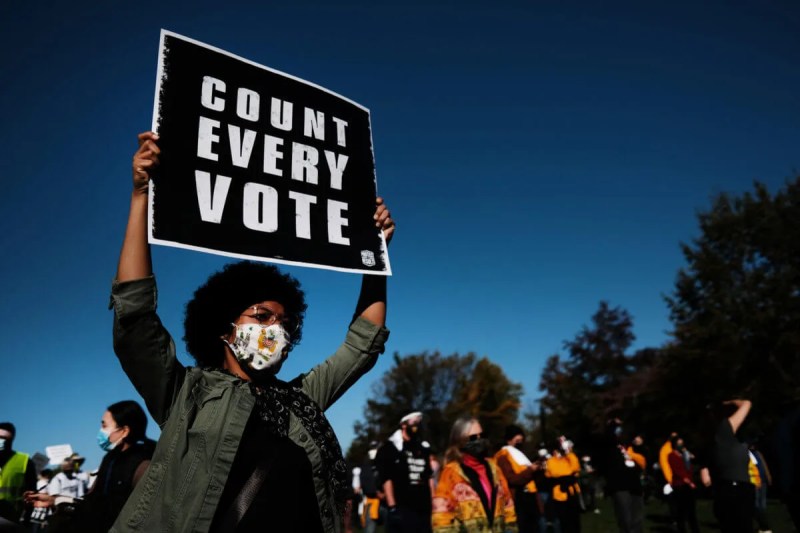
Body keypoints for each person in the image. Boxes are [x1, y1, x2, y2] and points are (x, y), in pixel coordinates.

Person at [107, 131, 394, 532]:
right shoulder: (185, 393)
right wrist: (141, 196)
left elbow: (362, 345)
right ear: (223, 328)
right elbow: (135, 317)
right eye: (261, 316)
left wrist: (374, 255)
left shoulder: (301, 400)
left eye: (284, 322)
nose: (275, 329)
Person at [432, 416, 517, 532]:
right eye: (473, 438)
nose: (479, 440)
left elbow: (508, 506)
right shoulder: (451, 472)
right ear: (461, 440)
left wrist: (511, 530)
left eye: (482, 436)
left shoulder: (495, 469)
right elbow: (441, 516)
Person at [700, 399, 755, 533]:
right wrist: (728, 402)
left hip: (725, 490)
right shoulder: (723, 430)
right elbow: (747, 403)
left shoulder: (713, 439)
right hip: (737, 490)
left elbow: (706, 477)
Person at [374, 412, 433, 532]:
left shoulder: (422, 447)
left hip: (424, 508)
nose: (418, 425)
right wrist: (392, 507)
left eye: (419, 422)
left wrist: (434, 500)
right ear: (403, 424)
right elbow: (386, 479)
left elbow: (429, 476)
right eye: (414, 422)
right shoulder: (389, 448)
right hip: (403, 508)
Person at [597, 418, 643, 533]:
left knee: (637, 518)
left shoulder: (629, 445)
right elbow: (608, 437)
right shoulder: (609, 446)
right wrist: (612, 423)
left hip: (634, 483)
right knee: (625, 519)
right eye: (617, 427)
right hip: (620, 485)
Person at [494, 425, 542, 533]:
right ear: (509, 440)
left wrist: (537, 470)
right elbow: (512, 479)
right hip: (518, 500)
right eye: (517, 440)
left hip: (530, 498)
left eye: (521, 440)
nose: (520, 443)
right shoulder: (503, 456)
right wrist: (530, 470)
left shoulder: (520, 454)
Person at [0, 422, 37, 525]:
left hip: (9, 516)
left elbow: (31, 493)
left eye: (5, 439)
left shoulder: (24, 461)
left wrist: (27, 518)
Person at [666, 436, 699, 533]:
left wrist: (687, 455)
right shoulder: (671, 456)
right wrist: (688, 481)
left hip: (689, 485)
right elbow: (677, 471)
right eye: (678, 443)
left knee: (691, 511)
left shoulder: (685, 455)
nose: (681, 445)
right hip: (680, 485)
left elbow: (690, 468)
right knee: (681, 511)